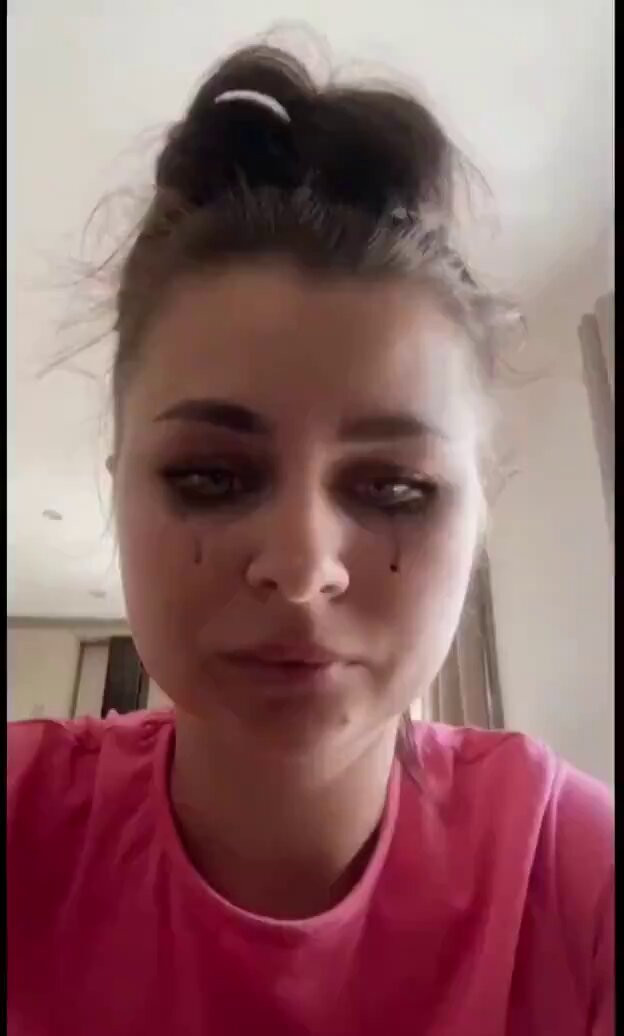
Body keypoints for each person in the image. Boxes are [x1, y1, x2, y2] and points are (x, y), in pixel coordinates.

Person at [8, 41, 613, 1036]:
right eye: (210, 476)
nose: (299, 569)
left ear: (477, 520)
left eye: (394, 486)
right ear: (120, 493)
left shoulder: (575, 880)